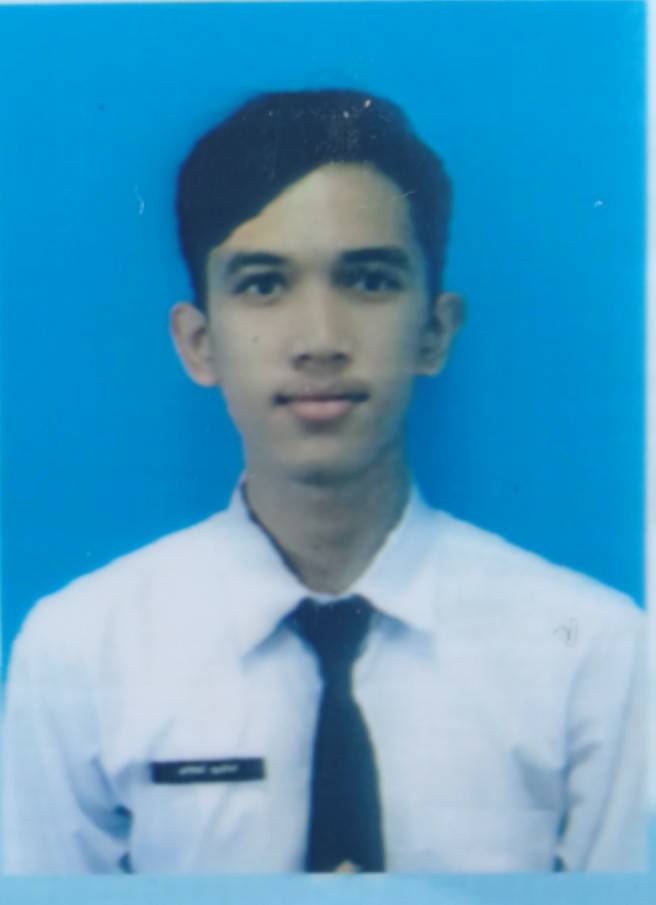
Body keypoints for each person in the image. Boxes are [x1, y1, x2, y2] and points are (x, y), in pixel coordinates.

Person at [3, 89, 644, 874]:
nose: (319, 340)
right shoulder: (82, 650)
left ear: (435, 330)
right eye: (263, 284)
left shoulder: (596, 653)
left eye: (368, 280)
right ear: (199, 342)